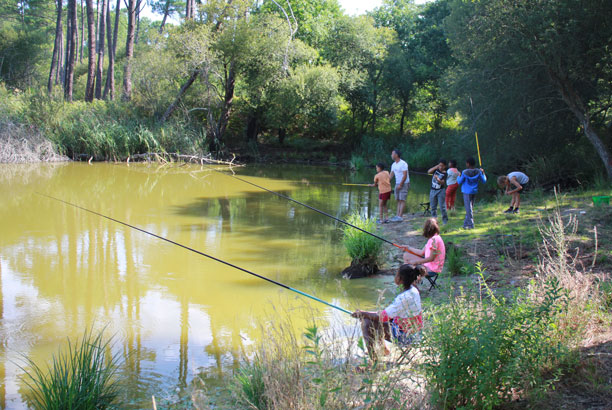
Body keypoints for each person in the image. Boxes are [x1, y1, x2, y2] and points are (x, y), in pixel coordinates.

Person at [352, 264, 425, 360]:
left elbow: (382, 317)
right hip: (415, 333)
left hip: (407, 337)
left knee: (367, 323)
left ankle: (374, 361)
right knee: (371, 318)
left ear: (400, 279)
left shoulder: (404, 298)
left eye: (397, 274)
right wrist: (366, 313)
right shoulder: (414, 290)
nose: (395, 276)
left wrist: (363, 314)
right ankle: (383, 350)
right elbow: (387, 314)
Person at [401, 218, 446, 284]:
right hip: (428, 265)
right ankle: (412, 280)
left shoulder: (434, 240)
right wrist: (408, 248)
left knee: (408, 267)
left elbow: (431, 258)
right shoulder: (433, 238)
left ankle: (411, 281)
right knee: (406, 255)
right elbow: (421, 252)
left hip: (433, 269)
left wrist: (416, 262)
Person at [456, 157, 487, 230]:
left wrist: (458, 176)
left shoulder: (464, 172)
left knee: (468, 208)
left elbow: (459, 182)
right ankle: (465, 224)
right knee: (470, 208)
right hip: (474, 191)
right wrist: (483, 173)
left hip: (466, 192)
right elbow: (484, 181)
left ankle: (471, 225)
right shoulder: (478, 172)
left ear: (468, 164)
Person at [389, 149, 409, 222]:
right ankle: (397, 215)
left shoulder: (403, 164)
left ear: (396, 155)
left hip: (404, 183)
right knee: (398, 199)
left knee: (402, 199)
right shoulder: (393, 164)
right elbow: (391, 174)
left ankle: (400, 217)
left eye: (392, 154)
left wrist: (401, 184)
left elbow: (405, 175)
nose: (391, 155)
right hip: (397, 183)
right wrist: (386, 182)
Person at [427, 159, 448, 225]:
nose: (440, 167)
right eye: (439, 165)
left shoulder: (445, 173)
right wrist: (436, 167)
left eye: (442, 166)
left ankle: (445, 221)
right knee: (433, 207)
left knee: (442, 207)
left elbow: (442, 183)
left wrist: (437, 179)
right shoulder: (436, 170)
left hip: (440, 191)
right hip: (433, 190)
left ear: (445, 166)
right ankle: (435, 222)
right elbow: (429, 172)